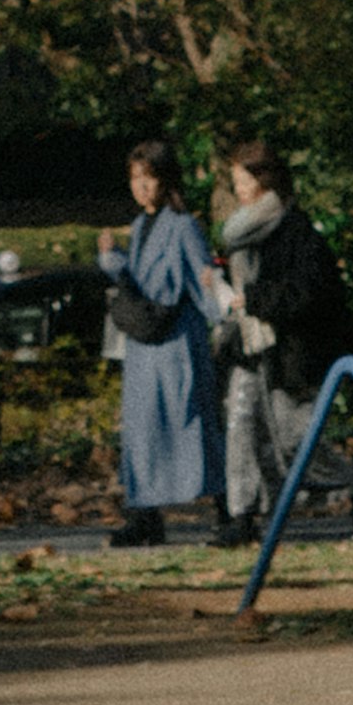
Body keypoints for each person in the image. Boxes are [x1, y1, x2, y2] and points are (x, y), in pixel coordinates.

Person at [213, 142, 353, 545]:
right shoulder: (241, 233)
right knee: (241, 425)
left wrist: (256, 299)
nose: (239, 189)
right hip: (249, 343)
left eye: (244, 180)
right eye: (236, 180)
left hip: (289, 349)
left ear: (265, 181)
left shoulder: (296, 230)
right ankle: (243, 515)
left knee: (295, 438)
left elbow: (309, 293)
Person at [97, 139, 216, 545]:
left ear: (166, 181)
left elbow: (204, 283)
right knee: (142, 429)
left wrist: (227, 312)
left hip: (177, 340)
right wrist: (113, 263)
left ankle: (227, 509)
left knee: (190, 422)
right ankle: (145, 514)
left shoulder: (183, 225)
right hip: (145, 342)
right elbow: (137, 278)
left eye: (149, 178)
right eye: (135, 179)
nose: (142, 187)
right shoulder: (139, 226)